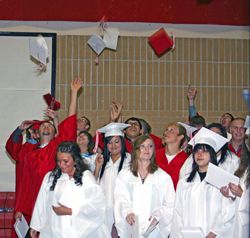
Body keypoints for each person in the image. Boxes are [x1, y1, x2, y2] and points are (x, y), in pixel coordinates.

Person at [10, 77, 82, 229]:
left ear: (55, 131)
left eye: (49, 126)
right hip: (28, 206)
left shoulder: (57, 148)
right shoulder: (28, 151)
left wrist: (74, 94)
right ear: (37, 131)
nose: (46, 127)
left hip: (51, 202)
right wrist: (19, 130)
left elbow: (69, 124)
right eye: (43, 126)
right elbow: (13, 150)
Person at [30, 141, 110, 238]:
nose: (61, 165)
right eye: (59, 161)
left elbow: (97, 207)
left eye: (66, 161)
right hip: (53, 229)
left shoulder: (86, 178)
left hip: (78, 231)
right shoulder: (51, 177)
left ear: (75, 160)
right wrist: (35, 226)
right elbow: (41, 202)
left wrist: (70, 211)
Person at [170, 127, 235, 238]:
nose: (200, 154)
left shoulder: (221, 181)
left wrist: (213, 233)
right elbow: (177, 214)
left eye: (205, 151)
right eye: (197, 150)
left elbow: (227, 211)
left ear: (212, 154)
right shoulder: (184, 182)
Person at [114, 135, 175, 238]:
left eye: (150, 146)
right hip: (131, 228)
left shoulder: (163, 177)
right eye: (143, 146)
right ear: (136, 150)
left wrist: (158, 216)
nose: (147, 149)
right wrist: (127, 212)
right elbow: (120, 199)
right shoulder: (125, 175)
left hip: (154, 230)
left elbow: (171, 204)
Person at [95, 122, 131, 237]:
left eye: (117, 141)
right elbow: (94, 186)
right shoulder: (102, 162)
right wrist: (97, 167)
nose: (113, 145)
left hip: (124, 210)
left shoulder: (130, 160)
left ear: (122, 142)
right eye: (109, 142)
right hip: (105, 211)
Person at [220, 142, 250, 238]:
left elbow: (243, 195)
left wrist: (242, 195)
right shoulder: (243, 167)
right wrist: (230, 195)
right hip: (235, 220)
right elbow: (238, 196)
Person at [155, 122, 188, 190]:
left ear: (180, 137)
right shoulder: (154, 155)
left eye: (171, 130)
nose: (166, 132)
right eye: (166, 130)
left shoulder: (186, 160)